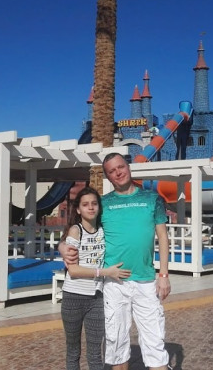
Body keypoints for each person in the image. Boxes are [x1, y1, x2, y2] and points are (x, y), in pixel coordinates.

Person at [62, 153, 171, 370]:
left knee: (155, 343)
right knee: (116, 344)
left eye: (120, 167)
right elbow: (80, 227)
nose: (118, 173)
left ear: (128, 167)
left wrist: (164, 275)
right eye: (112, 171)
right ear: (108, 177)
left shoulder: (153, 199)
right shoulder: (103, 204)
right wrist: (62, 246)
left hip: (146, 281)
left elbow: (163, 237)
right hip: (114, 284)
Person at [60, 187, 130, 370]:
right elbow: (73, 271)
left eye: (94, 204)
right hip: (73, 297)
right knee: (73, 350)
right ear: (78, 209)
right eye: (85, 204)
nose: (90, 207)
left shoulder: (103, 230)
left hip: (97, 299)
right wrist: (106, 272)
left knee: (95, 352)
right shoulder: (76, 231)